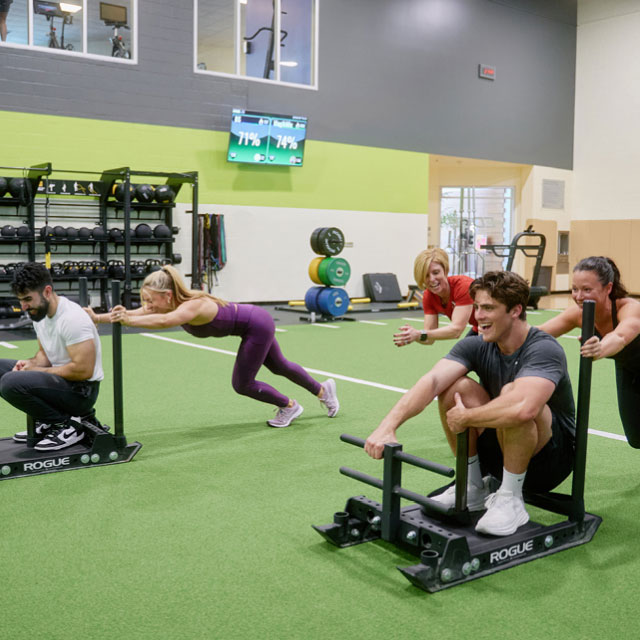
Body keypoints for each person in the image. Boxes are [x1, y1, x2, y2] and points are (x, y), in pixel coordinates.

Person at [365, 270, 575, 537]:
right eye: (476, 307)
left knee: (513, 396)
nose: (478, 316)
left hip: (548, 462)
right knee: (456, 388)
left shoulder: (543, 348)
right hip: (500, 451)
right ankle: (473, 486)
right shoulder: (477, 344)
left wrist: (468, 418)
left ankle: (510, 499)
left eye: (488, 308)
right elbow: (431, 382)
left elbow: (524, 408)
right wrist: (388, 426)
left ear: (515, 310)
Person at [85, 265, 339, 428]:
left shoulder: (192, 306)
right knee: (279, 365)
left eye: (151, 300)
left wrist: (128, 319)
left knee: (243, 384)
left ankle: (289, 406)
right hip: (254, 322)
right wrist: (99, 317)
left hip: (256, 325)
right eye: (145, 300)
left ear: (168, 296)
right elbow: (140, 313)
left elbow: (163, 320)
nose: (147, 305)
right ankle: (323, 391)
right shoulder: (170, 303)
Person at [539, 256, 640, 449]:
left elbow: (620, 337)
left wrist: (600, 348)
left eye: (587, 289)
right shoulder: (578, 313)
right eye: (575, 289)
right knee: (636, 438)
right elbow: (539, 332)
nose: (578, 296)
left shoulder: (630, 308)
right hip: (629, 369)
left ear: (608, 288)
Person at [0, 262, 103, 450]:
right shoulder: (40, 314)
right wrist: (28, 364)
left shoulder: (72, 318)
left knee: (10, 383)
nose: (23, 306)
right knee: (4, 370)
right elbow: (44, 354)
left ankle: (67, 425)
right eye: (21, 300)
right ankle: (49, 421)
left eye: (28, 299)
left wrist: (36, 370)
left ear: (47, 292)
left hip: (81, 392)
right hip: (60, 381)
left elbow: (84, 370)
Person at [393, 248, 478, 348]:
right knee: (457, 358)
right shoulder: (429, 296)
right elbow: (429, 338)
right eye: (426, 275)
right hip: (480, 328)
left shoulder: (463, 286)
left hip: (497, 328)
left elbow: (456, 330)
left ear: (445, 271)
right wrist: (413, 336)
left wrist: (419, 334)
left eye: (436, 272)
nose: (432, 279)